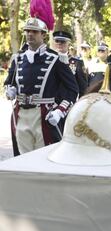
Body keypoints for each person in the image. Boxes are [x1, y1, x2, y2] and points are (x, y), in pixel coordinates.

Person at [4, 16, 78, 155]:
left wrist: (60, 111)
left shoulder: (56, 59)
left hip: (44, 114)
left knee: (43, 157)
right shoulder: (18, 59)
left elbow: (72, 89)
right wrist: (10, 89)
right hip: (20, 114)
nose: (30, 34)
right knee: (22, 158)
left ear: (43, 34)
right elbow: (9, 82)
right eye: (27, 31)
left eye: (34, 31)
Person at [53, 30, 88, 97]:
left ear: (69, 44)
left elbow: (83, 87)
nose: (59, 43)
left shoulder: (77, 63)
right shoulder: (49, 60)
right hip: (50, 102)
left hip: (69, 101)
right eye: (57, 41)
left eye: (63, 41)